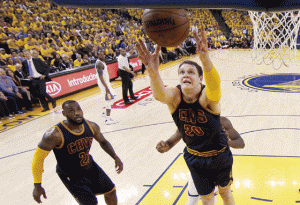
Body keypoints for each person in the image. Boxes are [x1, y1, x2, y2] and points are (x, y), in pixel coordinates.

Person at [136, 27, 235, 205]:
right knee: (206, 200)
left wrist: (205, 61)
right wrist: (153, 72)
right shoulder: (175, 96)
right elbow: (160, 95)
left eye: (190, 72)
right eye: (181, 72)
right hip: (195, 157)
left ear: (200, 78)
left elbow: (215, 89)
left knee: (225, 193)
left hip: (219, 155)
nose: (185, 75)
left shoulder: (206, 98)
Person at [32, 100, 123, 205]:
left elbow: (103, 142)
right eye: (71, 111)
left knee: (110, 191)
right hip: (72, 175)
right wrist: (37, 185)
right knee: (91, 203)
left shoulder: (91, 126)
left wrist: (115, 157)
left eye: (78, 109)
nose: (77, 113)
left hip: (90, 166)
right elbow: (38, 159)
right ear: (64, 114)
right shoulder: (54, 135)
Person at [156, 116, 245, 205]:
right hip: (198, 166)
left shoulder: (222, 121)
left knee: (224, 195)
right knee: (196, 200)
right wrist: (164, 147)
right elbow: (170, 142)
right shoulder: (186, 122)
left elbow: (241, 143)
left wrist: (225, 142)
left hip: (218, 164)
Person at [95, 51, 118, 125]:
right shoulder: (99, 63)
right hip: (104, 83)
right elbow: (100, 77)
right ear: (97, 55)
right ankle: (108, 119)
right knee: (109, 100)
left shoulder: (101, 62)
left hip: (106, 83)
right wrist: (106, 87)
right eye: (101, 54)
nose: (103, 55)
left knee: (113, 98)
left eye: (103, 54)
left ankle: (104, 113)